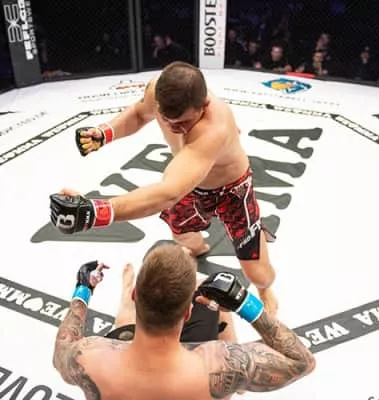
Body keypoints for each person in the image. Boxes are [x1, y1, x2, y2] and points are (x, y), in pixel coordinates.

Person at [49, 61, 278, 315]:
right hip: (188, 181)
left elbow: (168, 193)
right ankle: (199, 247)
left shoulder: (214, 128)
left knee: (257, 274)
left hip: (231, 190)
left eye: (184, 122)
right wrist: (106, 132)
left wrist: (95, 211)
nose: (176, 129)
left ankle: (266, 288)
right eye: (168, 121)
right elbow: (139, 114)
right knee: (182, 236)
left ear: (204, 105)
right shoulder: (157, 90)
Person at [52, 243, 315, 400]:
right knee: (215, 311)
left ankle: (127, 306)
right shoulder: (221, 364)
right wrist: (244, 303)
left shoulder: (91, 356)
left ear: (135, 295)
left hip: (124, 363)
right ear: (188, 312)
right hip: (193, 377)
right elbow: (302, 362)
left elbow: (63, 347)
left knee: (123, 330)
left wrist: (83, 291)